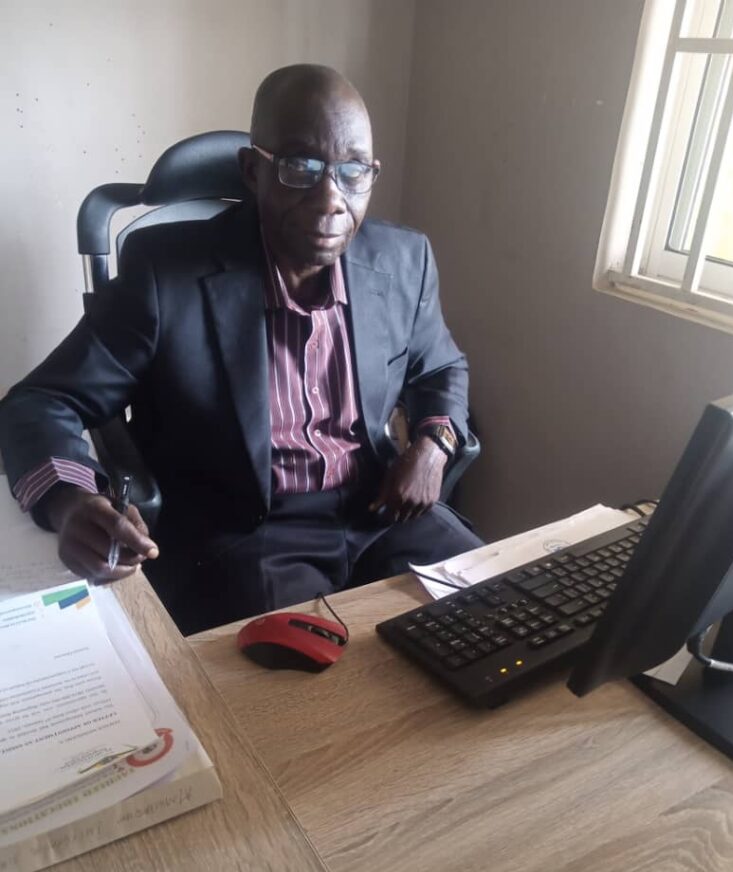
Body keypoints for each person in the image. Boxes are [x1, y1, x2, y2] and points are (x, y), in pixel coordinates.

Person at [0, 64, 481, 634]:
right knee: (306, 677)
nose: (332, 199)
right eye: (301, 167)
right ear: (254, 170)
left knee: (501, 611)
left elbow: (441, 366)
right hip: (249, 532)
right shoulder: (166, 275)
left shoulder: (402, 259)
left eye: (353, 171)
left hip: (377, 509)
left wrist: (433, 444)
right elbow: (39, 402)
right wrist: (70, 502)